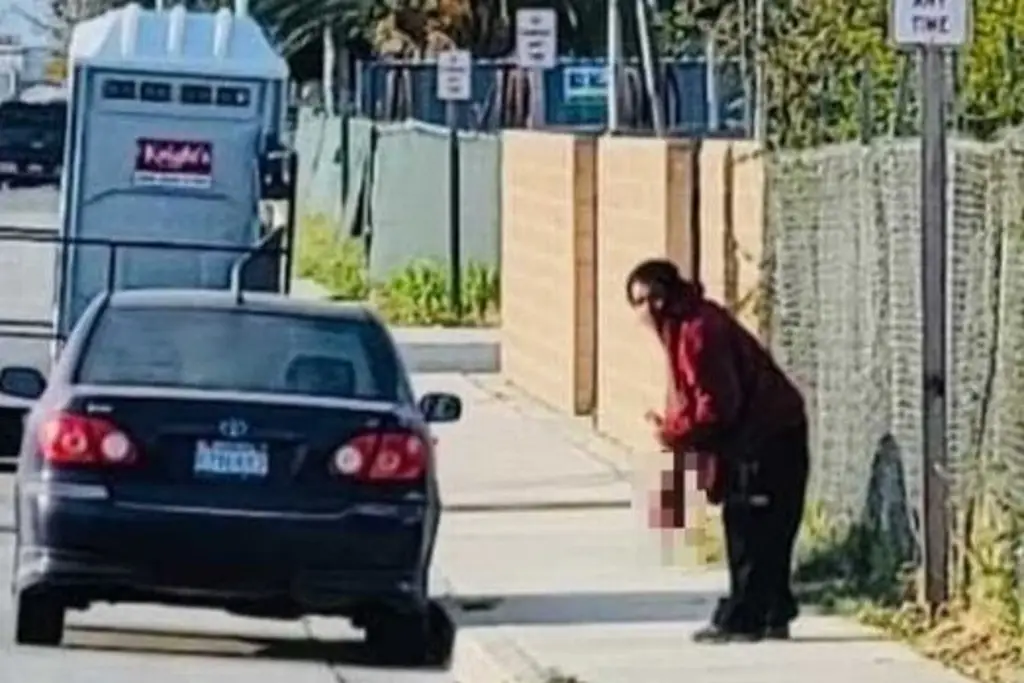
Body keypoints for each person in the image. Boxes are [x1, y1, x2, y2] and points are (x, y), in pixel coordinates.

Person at [625, 258, 809, 643]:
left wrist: (675, 433)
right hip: (770, 432)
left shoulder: (697, 333)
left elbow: (719, 405)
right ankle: (773, 609)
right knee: (767, 528)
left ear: (658, 300)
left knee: (748, 525)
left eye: (640, 302)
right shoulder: (688, 324)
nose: (639, 314)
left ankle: (745, 617)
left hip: (766, 437)